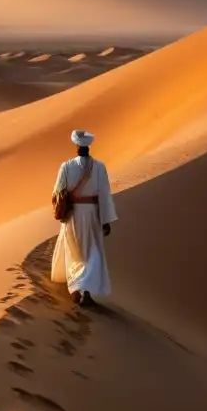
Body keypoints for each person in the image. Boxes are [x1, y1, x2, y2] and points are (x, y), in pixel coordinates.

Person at [51, 129, 118, 306]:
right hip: (93, 215)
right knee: (92, 253)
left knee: (75, 253)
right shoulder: (99, 167)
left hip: (73, 215)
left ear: (76, 147)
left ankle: (76, 289)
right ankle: (85, 291)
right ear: (89, 147)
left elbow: (57, 192)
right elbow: (105, 195)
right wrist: (106, 220)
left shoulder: (66, 167)